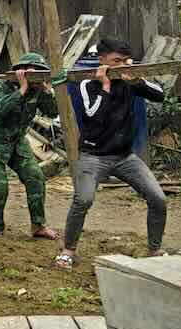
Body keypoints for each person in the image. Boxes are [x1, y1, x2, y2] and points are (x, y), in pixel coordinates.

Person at [57, 39, 167, 268]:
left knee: (158, 199)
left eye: (126, 60)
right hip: (93, 156)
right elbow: (93, 116)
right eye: (117, 60)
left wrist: (136, 81)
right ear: (102, 59)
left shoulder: (130, 79)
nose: (123, 65)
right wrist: (105, 86)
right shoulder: (87, 83)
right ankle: (68, 249)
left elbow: (159, 95)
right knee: (83, 200)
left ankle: (155, 249)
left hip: (125, 156)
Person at [0, 53, 61, 240]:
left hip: (15, 140)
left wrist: (47, 92)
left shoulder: (38, 89)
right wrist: (22, 89)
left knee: (35, 177)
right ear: (20, 71)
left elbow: (53, 113)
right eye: (32, 71)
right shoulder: (0, 85)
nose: (36, 76)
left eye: (40, 72)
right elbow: (0, 110)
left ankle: (38, 225)